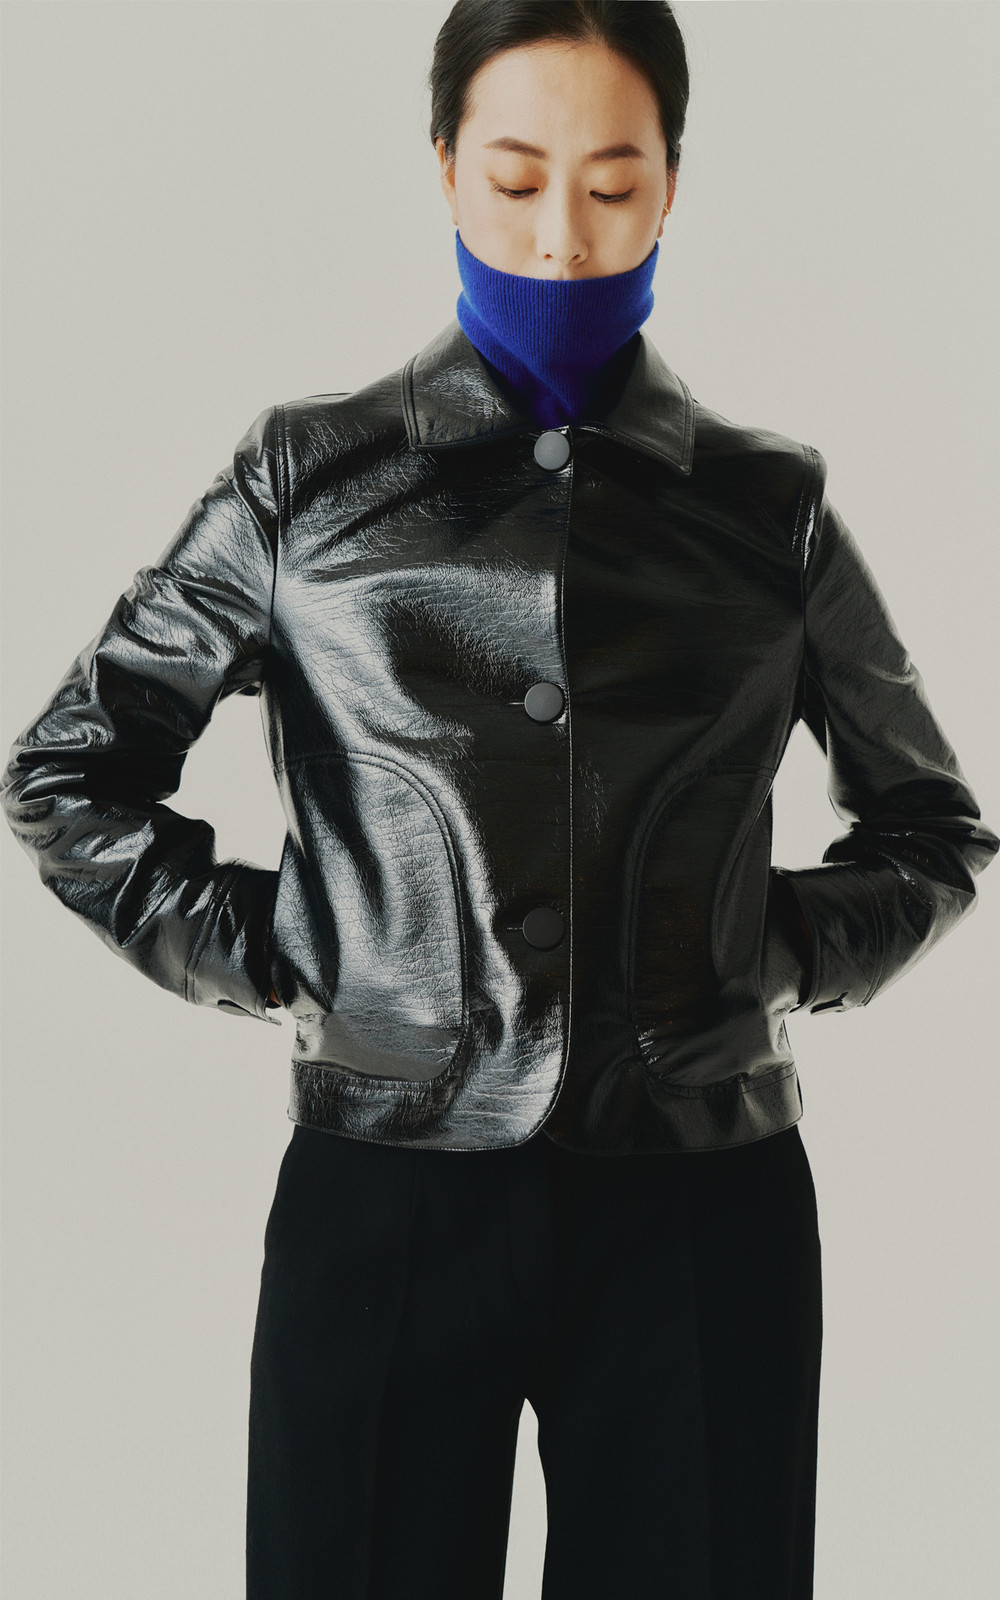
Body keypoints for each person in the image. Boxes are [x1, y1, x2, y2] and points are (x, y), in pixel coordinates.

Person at [2, 2, 997, 1596]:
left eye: (612, 183)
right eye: (518, 177)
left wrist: (757, 955)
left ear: (673, 183)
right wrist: (296, 952)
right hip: (386, 1193)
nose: (560, 236)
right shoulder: (304, 481)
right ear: (446, 166)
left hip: (701, 1198)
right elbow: (71, 771)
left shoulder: (768, 509)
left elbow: (931, 832)